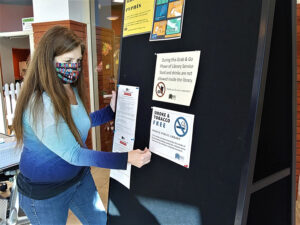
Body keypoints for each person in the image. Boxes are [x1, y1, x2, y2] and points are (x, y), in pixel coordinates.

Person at [12, 26, 151, 225]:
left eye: (77, 61)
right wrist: (126, 158)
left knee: (101, 222)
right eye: (67, 61)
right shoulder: (40, 103)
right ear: (47, 60)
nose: (74, 67)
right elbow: (75, 154)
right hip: (45, 194)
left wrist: (110, 112)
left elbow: (80, 122)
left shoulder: (68, 88)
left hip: (78, 179)